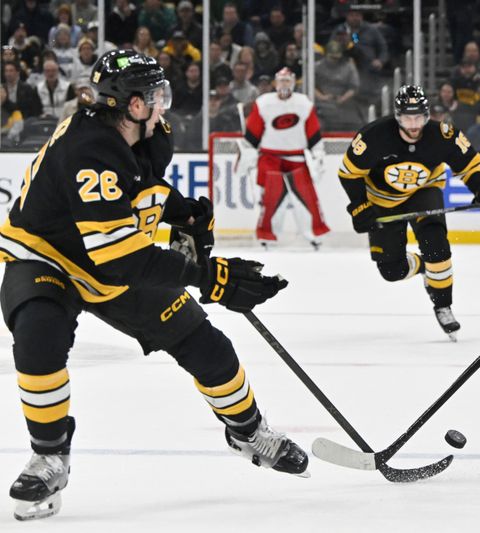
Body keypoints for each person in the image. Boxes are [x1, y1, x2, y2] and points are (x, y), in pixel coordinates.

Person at [0, 49, 308, 521]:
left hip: (108, 259)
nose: (163, 102)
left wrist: (179, 208)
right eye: (154, 95)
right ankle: (49, 456)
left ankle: (247, 431)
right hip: (48, 257)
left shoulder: (149, 134)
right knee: (39, 338)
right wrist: (212, 277)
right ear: (131, 104)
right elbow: (120, 256)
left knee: (209, 348)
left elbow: (139, 188)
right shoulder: (90, 150)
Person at [338, 85, 480, 340]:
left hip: (424, 191)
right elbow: (349, 174)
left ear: (427, 116)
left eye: (418, 117)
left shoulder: (443, 134)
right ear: (397, 116)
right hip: (383, 200)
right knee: (391, 271)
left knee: (436, 243)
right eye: (407, 117)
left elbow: (470, 164)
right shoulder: (374, 136)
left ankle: (442, 303)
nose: (413, 124)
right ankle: (427, 266)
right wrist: (360, 206)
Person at [241, 67, 330, 249]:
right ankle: (268, 235)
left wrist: (318, 154)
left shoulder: (304, 103)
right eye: (281, 81)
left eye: (287, 81)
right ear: (275, 83)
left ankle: (314, 234)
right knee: (271, 198)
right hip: (269, 157)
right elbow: (252, 136)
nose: (284, 85)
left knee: (307, 197)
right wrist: (248, 157)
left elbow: (312, 134)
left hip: (296, 156)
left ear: (293, 82)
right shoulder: (264, 103)